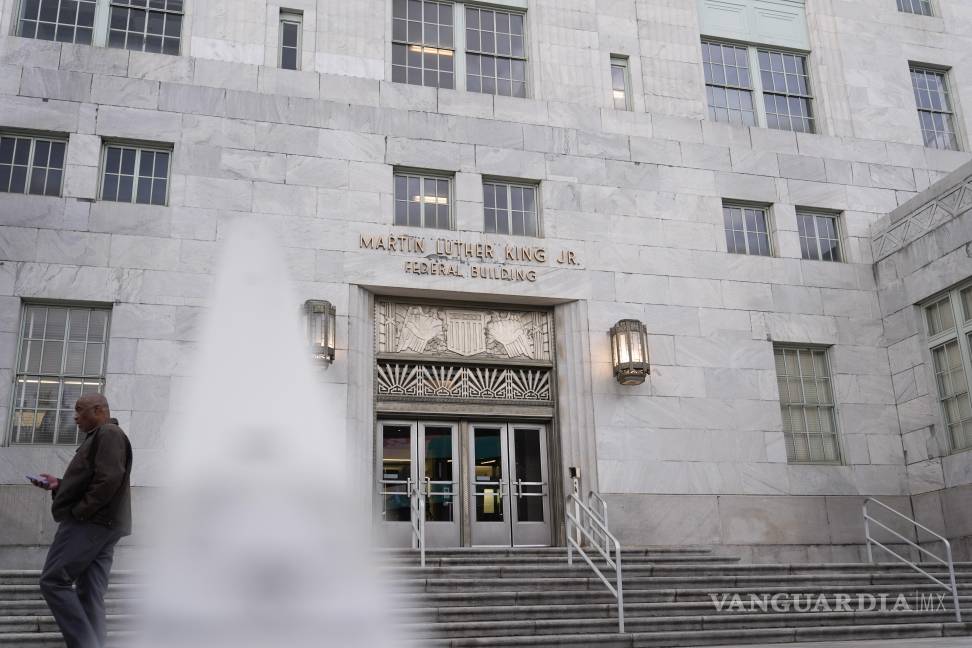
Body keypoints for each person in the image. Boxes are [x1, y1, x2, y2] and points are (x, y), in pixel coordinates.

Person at [29, 394, 133, 648]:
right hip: (105, 524)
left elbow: (108, 480)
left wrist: (80, 513)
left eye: (79, 410)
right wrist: (58, 485)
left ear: (98, 410)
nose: (74, 416)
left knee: (53, 581)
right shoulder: (103, 436)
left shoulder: (108, 433)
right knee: (89, 592)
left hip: (91, 523)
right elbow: (96, 480)